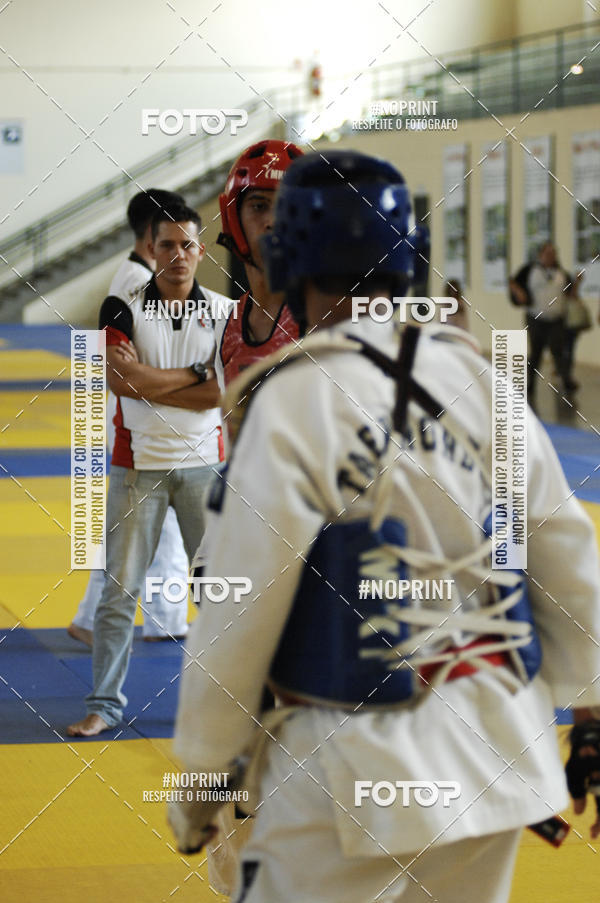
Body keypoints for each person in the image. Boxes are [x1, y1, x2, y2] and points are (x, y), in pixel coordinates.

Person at [169, 152, 600, 902]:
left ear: (285, 257)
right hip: (499, 761)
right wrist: (594, 717)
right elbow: (569, 557)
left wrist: (202, 779)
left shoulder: (297, 399)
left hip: (351, 771)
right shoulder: (480, 380)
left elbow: (238, 613)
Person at [68, 201, 230, 737]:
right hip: (138, 468)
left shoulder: (226, 311)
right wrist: (195, 376)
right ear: (150, 249)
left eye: (187, 245)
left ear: (200, 250)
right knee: (119, 593)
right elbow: (122, 383)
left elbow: (225, 394)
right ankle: (104, 705)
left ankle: (223, 710)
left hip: (207, 467)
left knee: (217, 592)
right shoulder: (122, 307)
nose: (178, 255)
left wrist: (160, 381)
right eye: (167, 245)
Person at [68, 188, 190, 647]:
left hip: (145, 418)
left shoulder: (139, 277)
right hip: (143, 419)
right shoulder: (136, 285)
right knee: (158, 522)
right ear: (150, 239)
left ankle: (114, 617)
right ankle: (162, 620)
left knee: (139, 526)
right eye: (172, 241)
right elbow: (129, 367)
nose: (180, 252)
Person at [214, 139, 304, 396]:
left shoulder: (331, 319)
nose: (273, 222)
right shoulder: (222, 327)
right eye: (259, 206)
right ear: (233, 218)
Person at [510, 241, 576, 405]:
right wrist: (519, 294)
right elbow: (513, 281)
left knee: (558, 350)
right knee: (536, 352)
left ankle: (566, 380)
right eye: (547, 253)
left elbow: (570, 293)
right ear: (540, 255)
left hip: (556, 320)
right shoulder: (530, 270)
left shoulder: (561, 273)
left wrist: (578, 282)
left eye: (553, 253)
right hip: (536, 318)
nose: (550, 256)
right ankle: (530, 384)